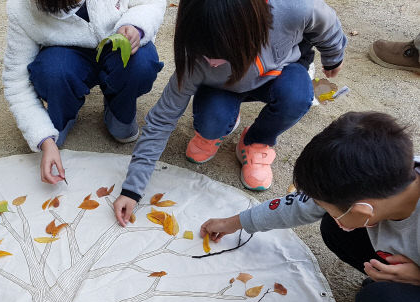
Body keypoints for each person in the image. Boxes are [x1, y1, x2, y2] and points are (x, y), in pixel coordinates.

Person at [199, 112, 420, 302]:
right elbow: (303, 206)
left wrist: (416, 278)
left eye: (332, 207)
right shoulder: (390, 178)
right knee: (334, 227)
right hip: (405, 258)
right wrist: (236, 222)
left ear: (364, 209)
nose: (322, 208)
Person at [113, 0, 348, 226]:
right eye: (205, 56)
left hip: (278, 73)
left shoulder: (292, 7)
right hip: (222, 88)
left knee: (298, 96)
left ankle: (257, 141)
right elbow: (162, 119)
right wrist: (132, 189)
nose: (211, 62)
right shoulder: (196, 53)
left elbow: (326, 24)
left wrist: (333, 56)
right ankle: (219, 124)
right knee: (212, 120)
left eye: (217, 56)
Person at [3, 0, 165, 185]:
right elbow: (16, 81)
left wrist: (136, 25)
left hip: (117, 42)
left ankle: (118, 112)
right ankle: (62, 114)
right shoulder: (21, 7)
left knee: (141, 64)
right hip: (64, 53)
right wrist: (43, 137)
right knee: (52, 72)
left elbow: (151, 3)